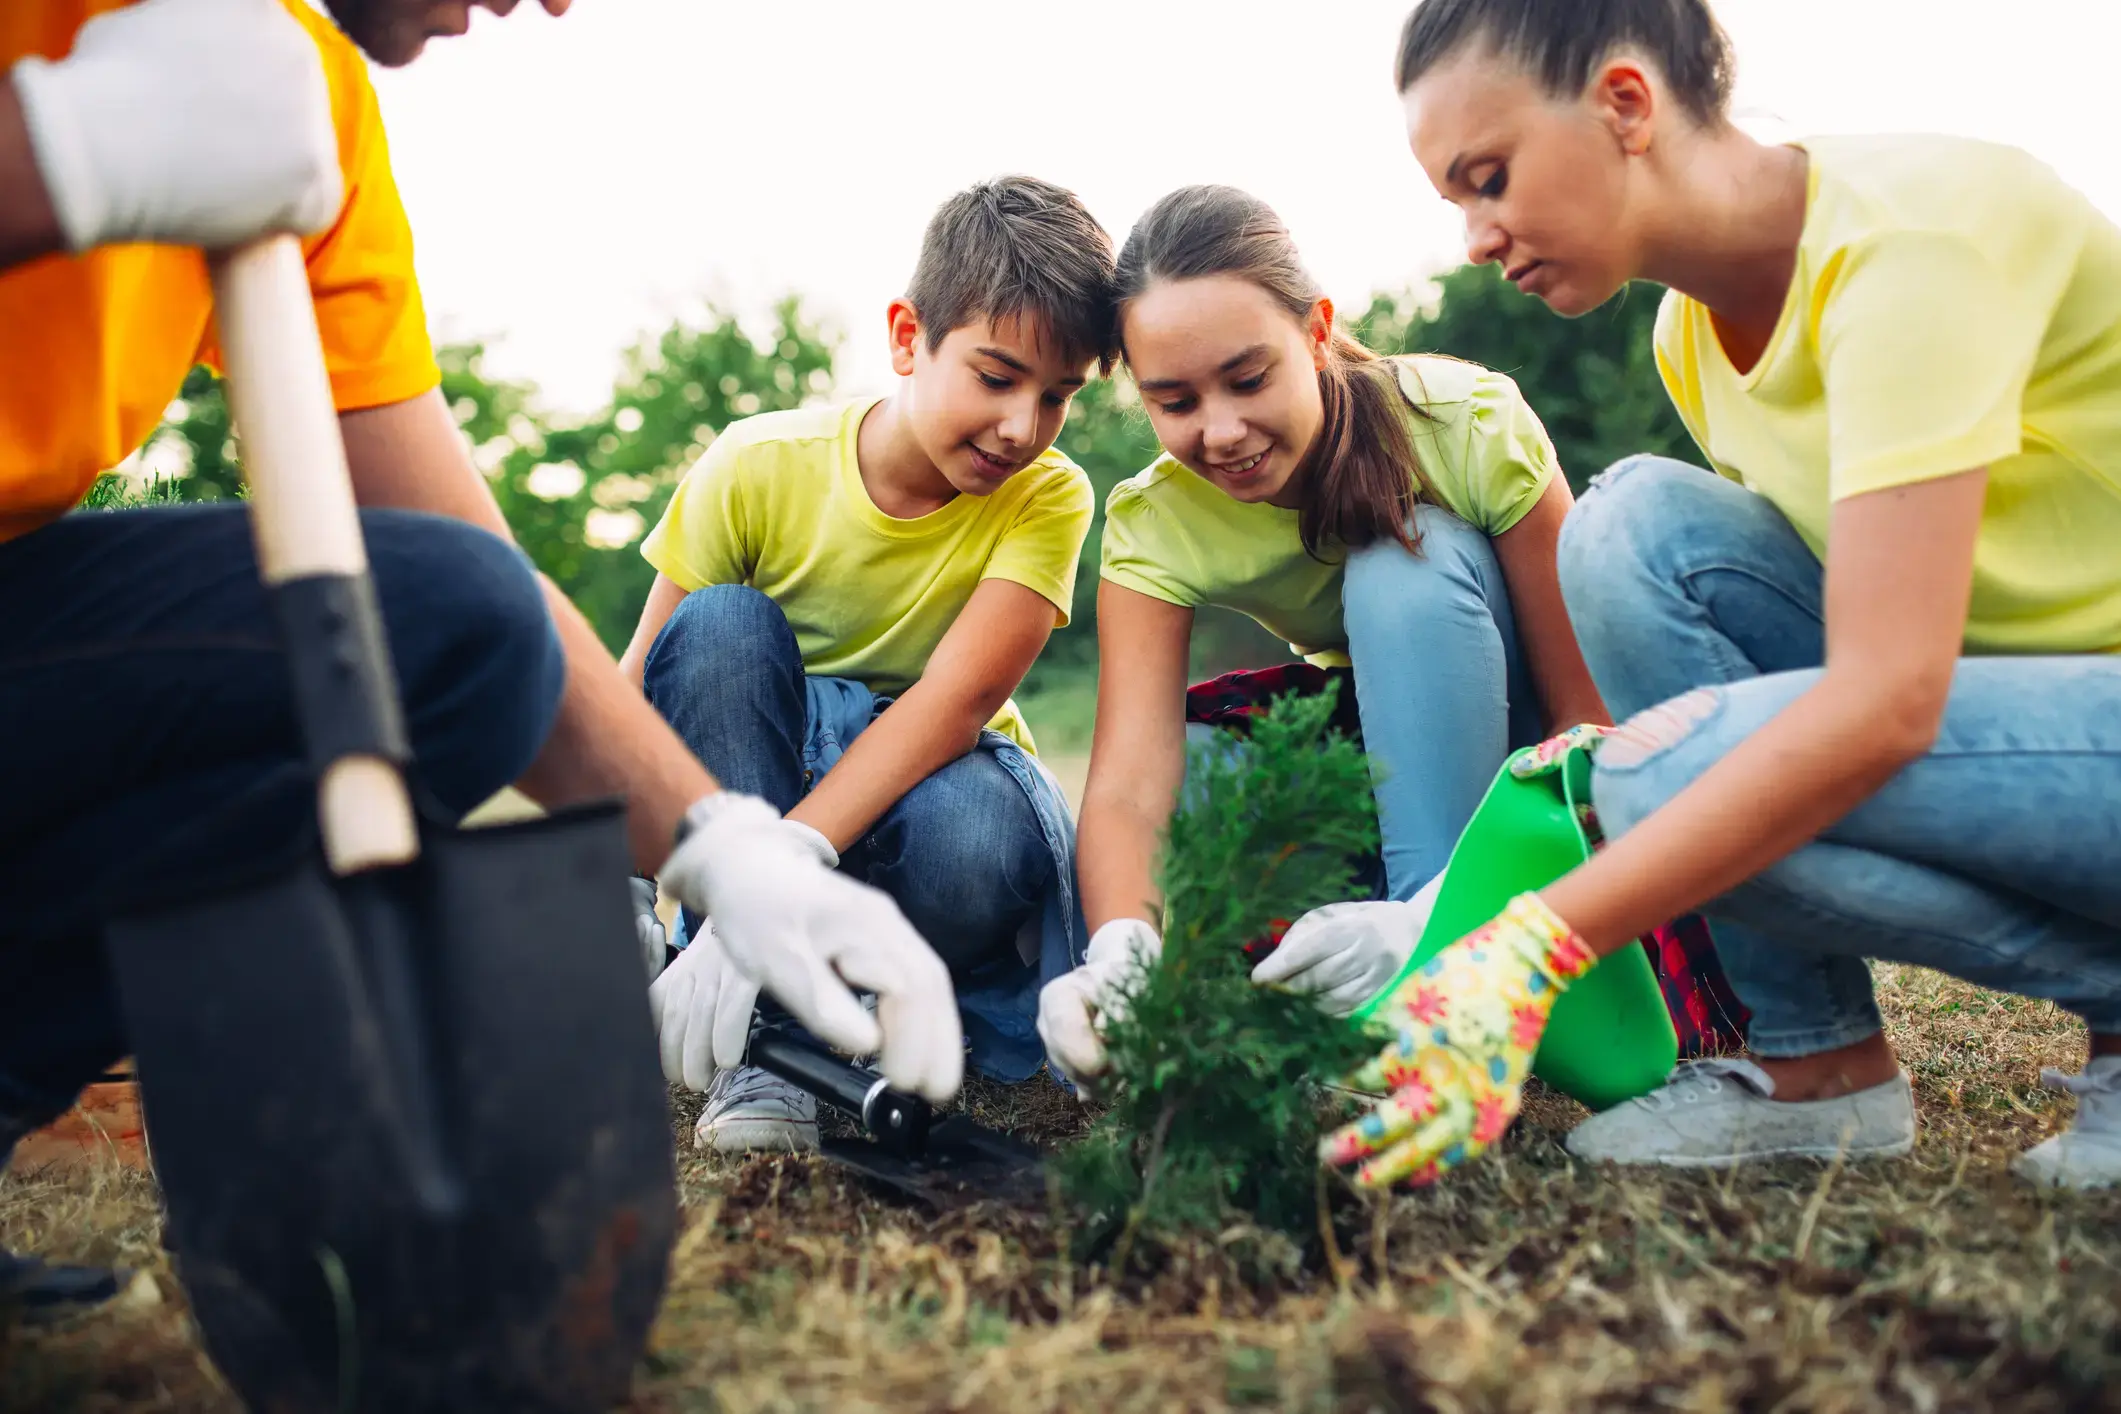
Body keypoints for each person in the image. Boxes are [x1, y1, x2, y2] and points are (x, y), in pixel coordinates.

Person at [0, 0, 959, 1314]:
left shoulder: (301, 105)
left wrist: (723, 846)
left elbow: (465, 574)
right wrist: (65, 152)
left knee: (461, 628)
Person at [1316, 0, 2121, 1192]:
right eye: (1457, 205)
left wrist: (1533, 943)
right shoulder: (1689, 339)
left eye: (1489, 180)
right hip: (2008, 728)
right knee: (1628, 531)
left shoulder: (1913, 246)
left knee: (1658, 781)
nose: (1480, 238)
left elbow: (1888, 699)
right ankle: (1818, 1067)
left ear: (1627, 104)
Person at [1038, 184, 1616, 1095]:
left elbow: (1589, 724)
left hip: (1527, 791)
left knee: (1397, 572)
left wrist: (1445, 912)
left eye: (1248, 377)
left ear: (1315, 331)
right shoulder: (1155, 519)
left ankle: (1438, 969)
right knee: (1197, 765)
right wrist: (1121, 948)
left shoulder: (1463, 421)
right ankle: (1333, 961)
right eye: (1174, 400)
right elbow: (1130, 786)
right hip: (1386, 757)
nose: (1220, 431)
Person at [622, 176, 1109, 1151]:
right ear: (905, 338)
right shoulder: (754, 466)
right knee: (718, 626)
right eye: (996, 376)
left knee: (982, 829)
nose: (1023, 425)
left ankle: (826, 988)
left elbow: (955, 705)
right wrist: (629, 889)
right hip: (762, 783)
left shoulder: (1047, 496)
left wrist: (785, 868)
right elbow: (638, 690)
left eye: (1058, 396)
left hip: (932, 797)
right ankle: (776, 1036)